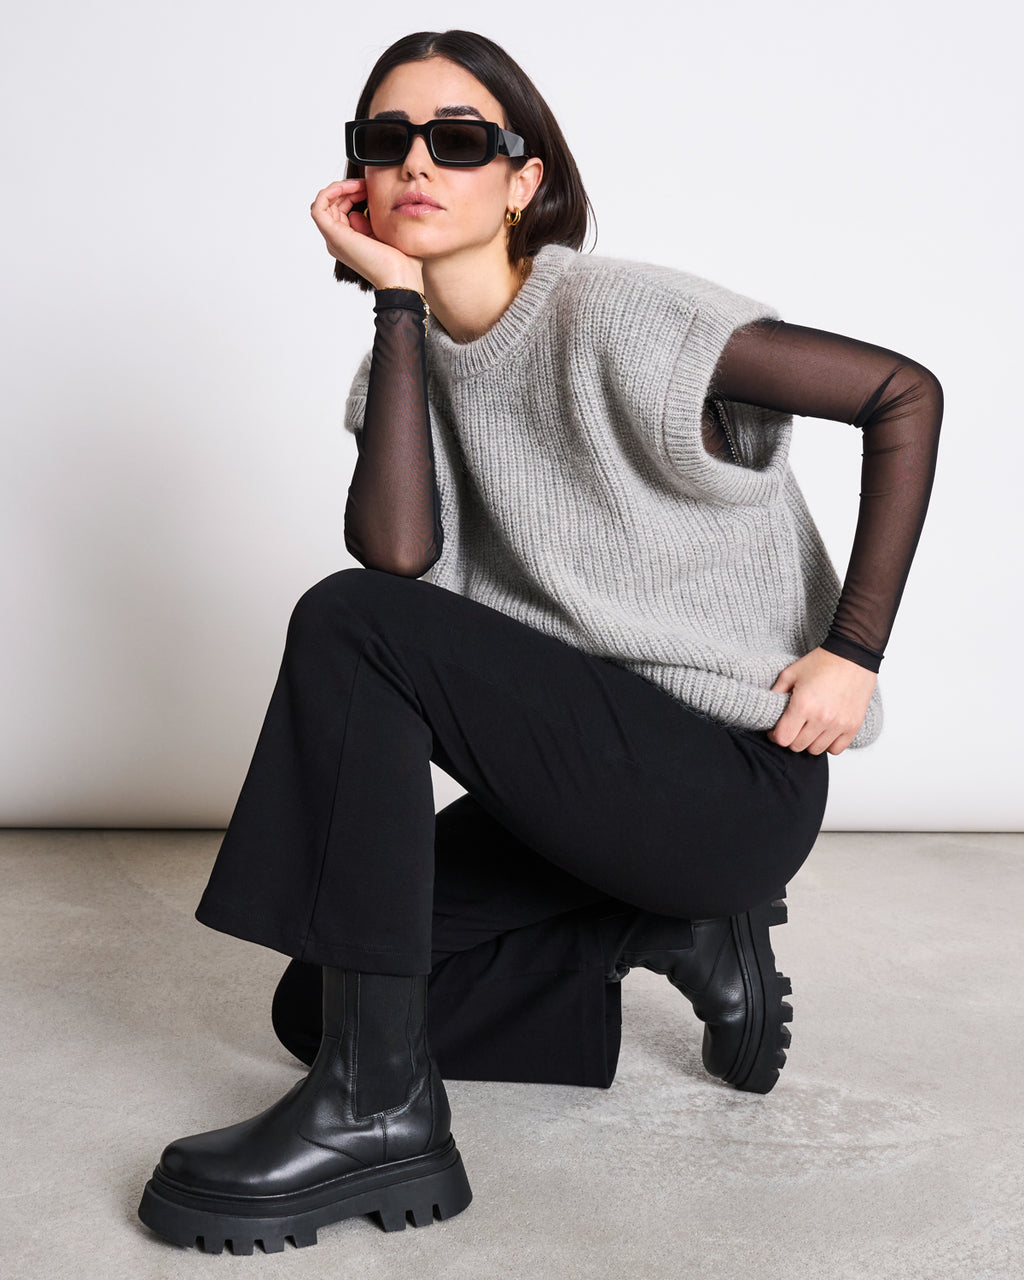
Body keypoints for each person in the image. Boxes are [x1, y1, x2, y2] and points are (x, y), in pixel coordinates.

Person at [137, 29, 942, 1255]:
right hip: (586, 792)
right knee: (324, 998)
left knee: (348, 628)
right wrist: (395, 305)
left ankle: (379, 1116)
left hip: (729, 778)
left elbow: (901, 392)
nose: (417, 163)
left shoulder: (614, 311)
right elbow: (399, 559)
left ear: (522, 180)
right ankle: (651, 930)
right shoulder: (400, 373)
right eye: (384, 141)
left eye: (458, 140)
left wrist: (854, 649)